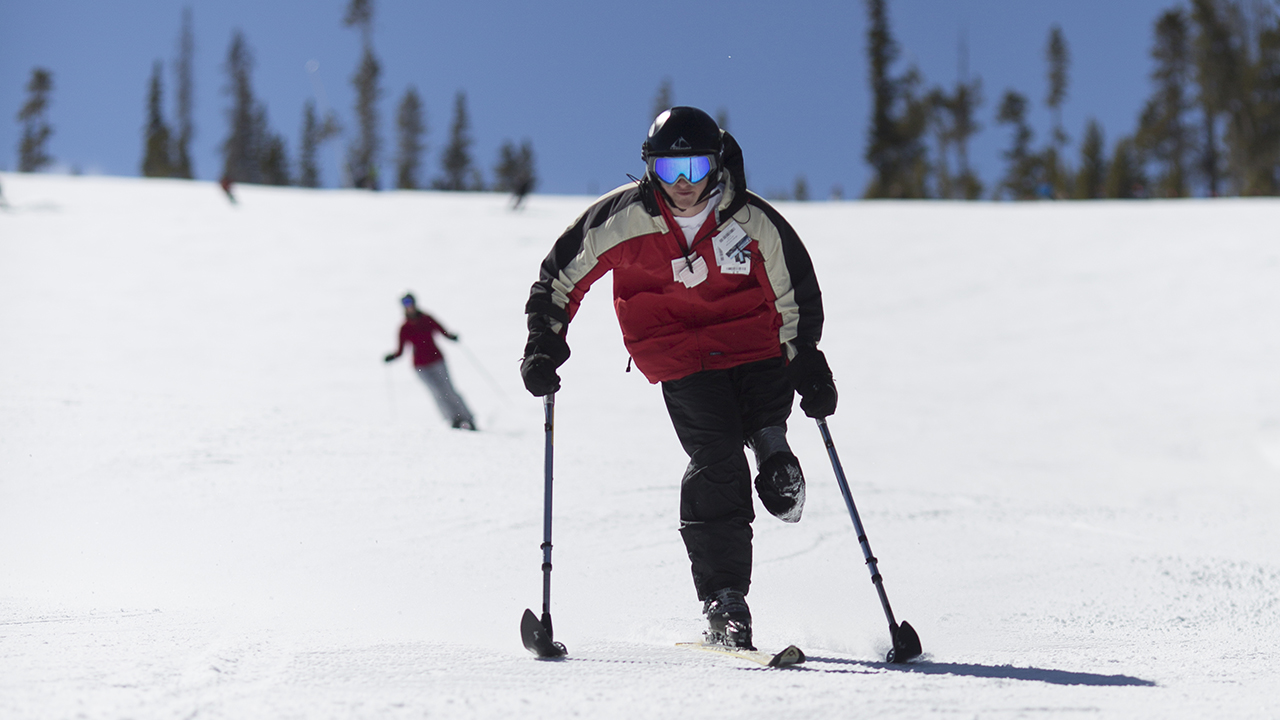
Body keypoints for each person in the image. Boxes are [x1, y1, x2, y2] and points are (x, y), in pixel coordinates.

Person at [519, 107, 837, 649]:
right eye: (669, 171)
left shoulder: (750, 219)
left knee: (763, 420)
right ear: (650, 170)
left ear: (716, 165)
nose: (684, 184)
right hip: (679, 356)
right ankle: (725, 597)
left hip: (756, 345)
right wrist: (544, 342)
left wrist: (805, 358)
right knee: (716, 460)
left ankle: (772, 448)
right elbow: (559, 277)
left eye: (695, 167)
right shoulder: (623, 218)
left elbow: (794, 288)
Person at [385, 293, 477, 431]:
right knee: (437, 393)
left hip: (437, 360)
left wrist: (452, 337)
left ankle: (467, 418)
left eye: (410, 302)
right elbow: (400, 351)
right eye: (405, 304)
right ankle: (453, 419)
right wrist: (392, 357)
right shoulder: (404, 327)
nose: (409, 306)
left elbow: (443, 331)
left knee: (448, 389)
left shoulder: (427, 319)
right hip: (421, 366)